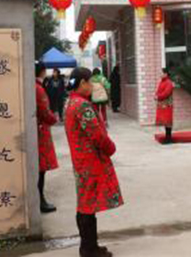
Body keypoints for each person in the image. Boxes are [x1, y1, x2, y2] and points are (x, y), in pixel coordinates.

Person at [65, 67, 123, 257]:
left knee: (85, 203)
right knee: (87, 205)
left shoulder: (71, 102)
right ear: (82, 83)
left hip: (81, 161)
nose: (91, 86)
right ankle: (89, 249)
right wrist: (111, 148)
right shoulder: (82, 105)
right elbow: (97, 135)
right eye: (90, 82)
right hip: (90, 161)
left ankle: (90, 246)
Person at [35, 61, 59, 214]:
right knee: (40, 168)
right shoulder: (38, 88)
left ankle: (40, 199)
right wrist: (53, 118)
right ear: (43, 71)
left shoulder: (34, 86)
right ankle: (40, 200)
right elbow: (44, 111)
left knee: (39, 168)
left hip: (38, 128)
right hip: (40, 130)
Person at [155, 68, 174, 144]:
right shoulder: (161, 82)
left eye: (161, 73)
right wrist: (156, 95)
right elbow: (158, 91)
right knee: (165, 122)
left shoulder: (169, 83)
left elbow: (166, 93)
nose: (160, 74)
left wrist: (158, 96)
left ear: (166, 74)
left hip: (167, 105)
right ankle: (167, 137)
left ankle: (169, 138)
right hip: (162, 104)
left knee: (168, 122)